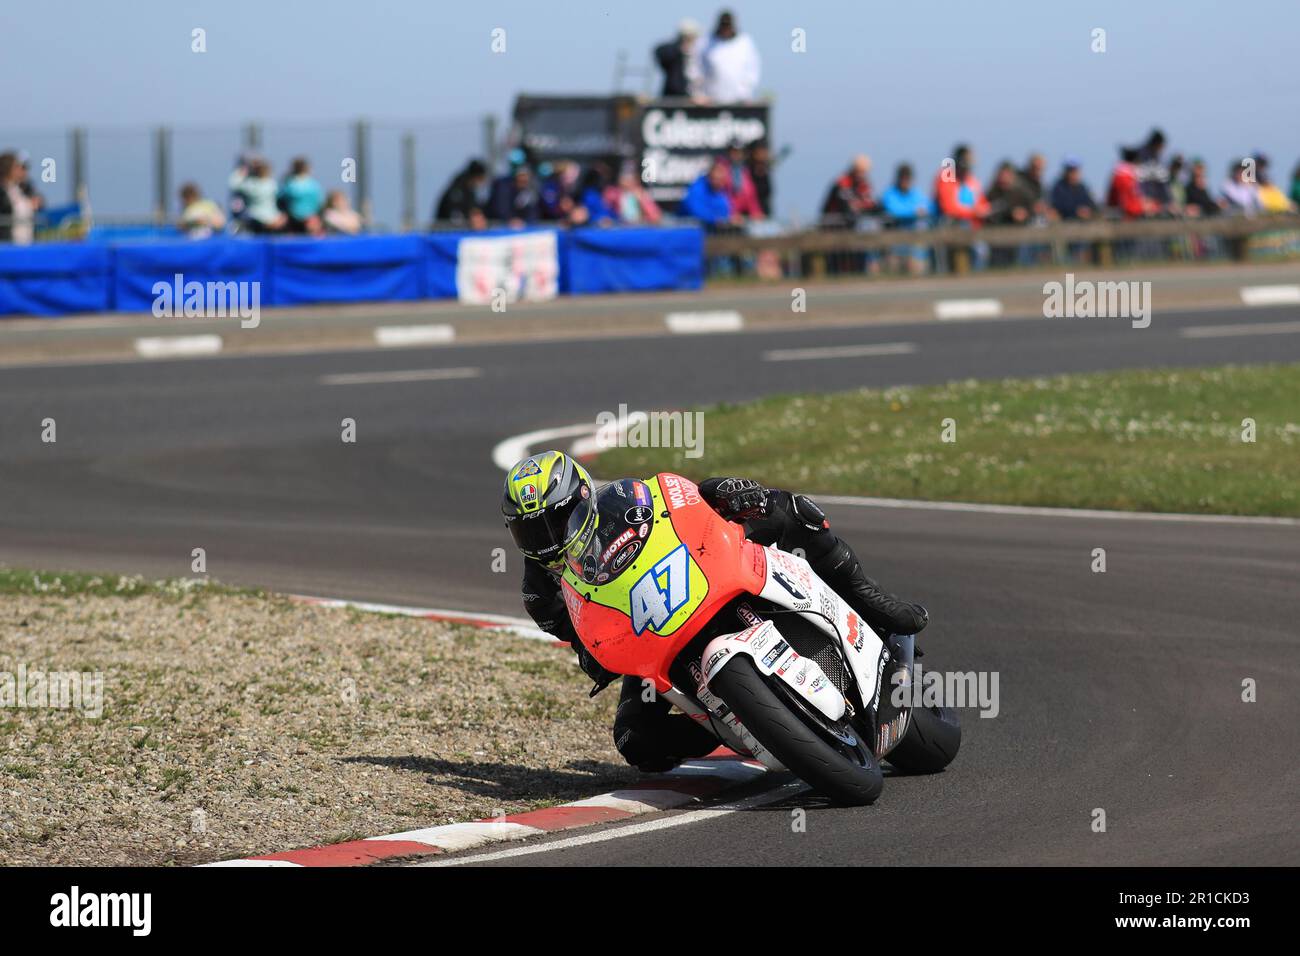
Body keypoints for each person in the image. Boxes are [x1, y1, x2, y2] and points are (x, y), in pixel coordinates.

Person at [501, 452, 929, 773]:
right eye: (529, 530)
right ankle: (739, 729)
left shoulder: (619, 502)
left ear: (582, 498)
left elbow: (676, 498)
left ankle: (868, 596)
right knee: (636, 741)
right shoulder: (539, 589)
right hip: (651, 633)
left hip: (702, 574)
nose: (546, 539)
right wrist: (591, 654)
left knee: (790, 510)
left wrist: (721, 492)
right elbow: (573, 629)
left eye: (555, 523)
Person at [697, 10, 761, 103]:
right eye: (723, 25)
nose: (725, 29)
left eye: (728, 26)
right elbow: (697, 68)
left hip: (739, 100)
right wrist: (700, 93)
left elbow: (753, 69)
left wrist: (746, 92)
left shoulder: (745, 43)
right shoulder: (705, 42)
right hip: (711, 100)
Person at [229, 157, 285, 233]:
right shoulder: (272, 185)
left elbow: (233, 184)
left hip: (254, 218)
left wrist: (242, 170)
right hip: (272, 219)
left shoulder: (250, 185)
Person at [820, 154, 877, 228]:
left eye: (863, 172)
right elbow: (847, 207)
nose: (861, 175)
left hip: (853, 224)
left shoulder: (864, 185)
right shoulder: (842, 183)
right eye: (859, 172)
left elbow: (871, 205)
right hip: (833, 223)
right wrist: (862, 206)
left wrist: (862, 206)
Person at [653, 19, 701, 98]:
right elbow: (660, 53)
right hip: (675, 99)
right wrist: (679, 49)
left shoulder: (699, 54)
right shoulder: (672, 52)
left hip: (695, 98)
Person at [680, 160, 735, 229]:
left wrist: (728, 219)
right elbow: (694, 210)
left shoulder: (722, 192)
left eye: (721, 180)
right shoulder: (697, 188)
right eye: (716, 179)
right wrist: (715, 219)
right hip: (687, 227)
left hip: (711, 231)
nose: (719, 183)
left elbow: (725, 211)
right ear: (709, 177)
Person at [435, 158, 488, 229]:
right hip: (448, 233)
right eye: (481, 179)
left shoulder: (470, 190)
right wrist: (470, 222)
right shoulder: (457, 190)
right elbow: (456, 217)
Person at [487, 161, 541, 226]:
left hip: (522, 226)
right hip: (500, 225)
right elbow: (501, 207)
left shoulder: (529, 191)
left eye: (526, 176)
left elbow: (533, 211)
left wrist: (526, 222)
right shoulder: (504, 188)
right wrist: (511, 219)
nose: (524, 179)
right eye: (521, 176)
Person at [279, 157, 325, 235]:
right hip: (293, 220)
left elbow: (319, 202)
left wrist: (315, 218)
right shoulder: (290, 183)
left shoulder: (312, 184)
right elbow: (282, 200)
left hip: (310, 220)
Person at [0, 151, 36, 245]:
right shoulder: (2, 191)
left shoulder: (23, 188)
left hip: (26, 240)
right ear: (8, 169)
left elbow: (40, 200)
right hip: (7, 243)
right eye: (17, 166)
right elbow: (6, 209)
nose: (21, 170)